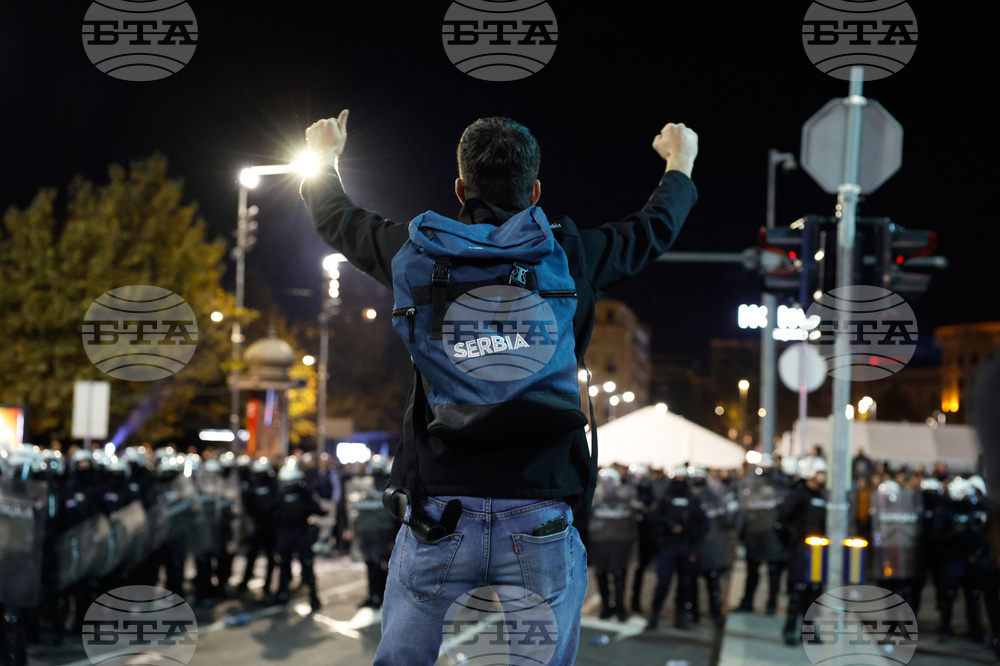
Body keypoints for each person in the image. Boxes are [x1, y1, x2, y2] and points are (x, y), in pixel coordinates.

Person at [302, 110, 698, 665]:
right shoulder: (568, 256)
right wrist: (680, 163)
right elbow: (652, 228)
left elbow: (337, 218)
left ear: (460, 187)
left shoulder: (415, 252)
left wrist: (324, 159)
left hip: (438, 507)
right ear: (535, 191)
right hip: (540, 503)